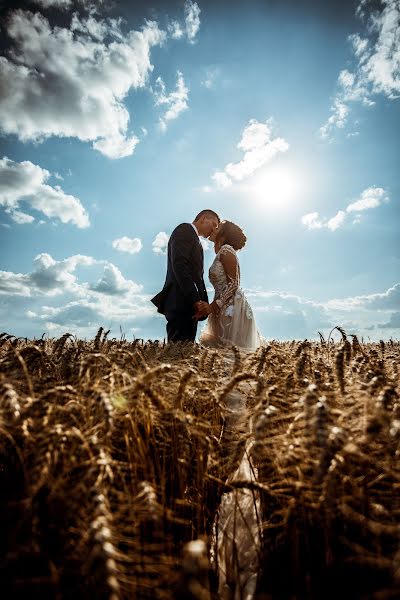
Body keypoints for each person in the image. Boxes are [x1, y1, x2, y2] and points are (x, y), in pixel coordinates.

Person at [151, 209, 220, 343]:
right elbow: (180, 266)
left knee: (185, 352)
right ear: (203, 218)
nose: (214, 230)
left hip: (188, 306)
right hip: (180, 302)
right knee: (176, 354)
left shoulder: (194, 238)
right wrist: (196, 300)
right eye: (213, 224)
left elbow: (196, 275)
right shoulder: (184, 230)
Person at [197, 220, 262, 350]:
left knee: (231, 353)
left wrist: (212, 307)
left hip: (231, 310)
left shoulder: (226, 251)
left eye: (218, 226)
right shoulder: (222, 253)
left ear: (224, 234)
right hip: (221, 307)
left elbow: (233, 284)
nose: (214, 228)